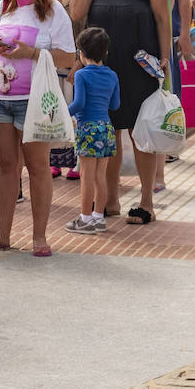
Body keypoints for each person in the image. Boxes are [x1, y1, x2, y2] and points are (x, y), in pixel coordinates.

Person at [70, 0, 171, 226]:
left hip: (140, 65)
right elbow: (76, 13)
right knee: (108, 130)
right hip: (103, 67)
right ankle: (109, 200)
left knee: (140, 133)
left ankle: (145, 202)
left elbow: (162, 19)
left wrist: (164, 57)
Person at [0, 0, 74, 254]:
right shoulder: (3, 6)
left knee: (37, 166)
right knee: (6, 166)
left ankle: (39, 237)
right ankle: (2, 234)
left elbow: (68, 57)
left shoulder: (53, 10)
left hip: (34, 101)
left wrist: (30, 53)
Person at [64, 27, 119, 234]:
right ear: (105, 52)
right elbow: (115, 104)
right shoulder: (113, 75)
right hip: (106, 128)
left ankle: (85, 219)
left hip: (88, 128)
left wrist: (63, 112)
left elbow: (79, 103)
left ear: (81, 53)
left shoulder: (82, 75)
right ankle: (98, 218)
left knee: (86, 177)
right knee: (100, 177)